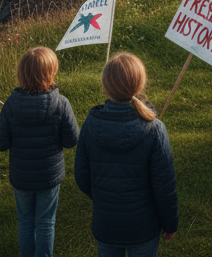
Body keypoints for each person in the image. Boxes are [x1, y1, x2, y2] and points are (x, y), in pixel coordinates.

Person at [74, 53, 178, 257]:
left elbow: (82, 175)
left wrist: (104, 197)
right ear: (139, 86)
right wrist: (170, 223)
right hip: (143, 227)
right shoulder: (154, 129)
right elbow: (165, 185)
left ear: (105, 86)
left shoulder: (91, 124)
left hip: (107, 224)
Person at [0, 46, 80, 257]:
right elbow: (72, 140)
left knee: (25, 221)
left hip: (22, 176)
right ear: (52, 72)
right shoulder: (61, 103)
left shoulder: (11, 104)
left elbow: (0, 143)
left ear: (21, 73)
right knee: (45, 222)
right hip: (49, 175)